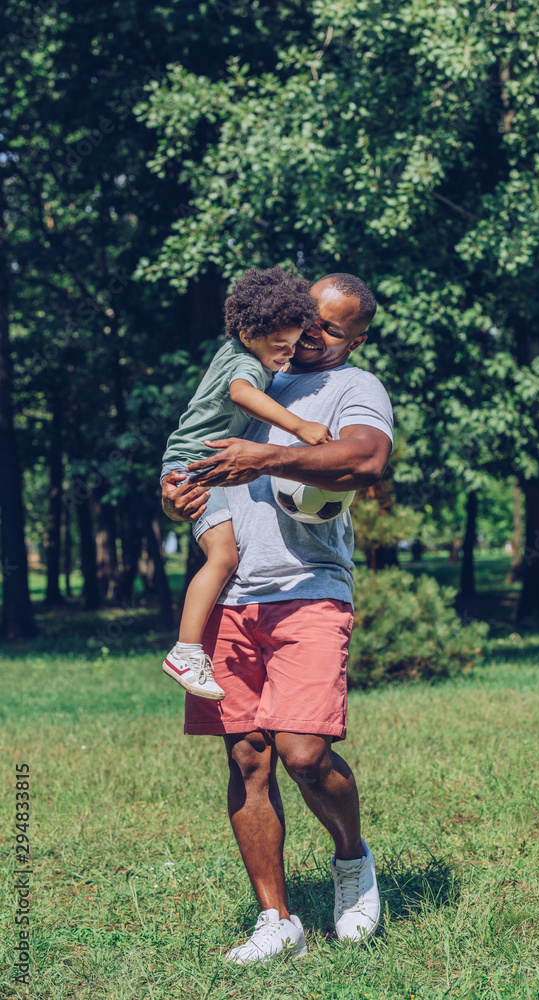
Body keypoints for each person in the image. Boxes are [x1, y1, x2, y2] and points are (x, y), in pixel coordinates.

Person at [162, 272, 393, 964]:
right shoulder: (255, 364)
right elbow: (196, 449)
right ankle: (275, 920)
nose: (310, 337)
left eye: (327, 328)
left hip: (309, 588)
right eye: (303, 322)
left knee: (303, 751)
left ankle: (352, 862)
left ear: (355, 336)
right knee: (247, 755)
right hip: (233, 596)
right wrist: (183, 494)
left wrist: (269, 453)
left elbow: (366, 458)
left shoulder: (354, 388)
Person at [160, 267, 331, 699]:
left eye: (293, 347)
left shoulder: (240, 351)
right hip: (193, 465)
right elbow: (241, 394)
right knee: (222, 556)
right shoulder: (242, 364)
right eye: (279, 347)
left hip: (192, 463)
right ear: (248, 331)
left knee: (224, 555)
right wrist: (300, 427)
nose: (286, 356)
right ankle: (185, 651)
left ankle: (188, 648)